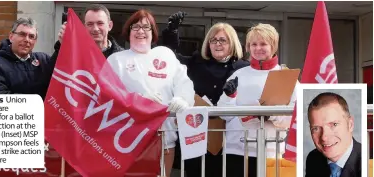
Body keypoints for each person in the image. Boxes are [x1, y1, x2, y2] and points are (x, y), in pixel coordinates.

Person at [106, 9, 195, 177]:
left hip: (164, 140)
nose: (141, 31)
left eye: (146, 27)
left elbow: (184, 82)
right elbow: (107, 96)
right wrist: (137, 102)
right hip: (127, 141)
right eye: (136, 27)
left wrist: (183, 99)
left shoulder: (165, 55)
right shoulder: (116, 60)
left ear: (153, 32)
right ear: (128, 31)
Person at [162, 13, 249, 177]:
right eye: (213, 40)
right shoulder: (197, 62)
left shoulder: (242, 67)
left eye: (223, 40)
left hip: (230, 138)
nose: (217, 44)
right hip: (197, 135)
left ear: (232, 43)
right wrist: (172, 32)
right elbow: (171, 58)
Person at [217, 23, 298, 177]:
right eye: (253, 44)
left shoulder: (286, 75)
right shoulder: (238, 74)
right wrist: (229, 96)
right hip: (237, 150)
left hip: (270, 151)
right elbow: (224, 114)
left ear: (273, 46)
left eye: (263, 44)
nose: (257, 48)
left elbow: (295, 117)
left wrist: (270, 114)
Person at [0, 17, 55, 100]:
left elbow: (63, 74)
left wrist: (61, 44)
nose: (27, 40)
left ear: (35, 41)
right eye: (22, 34)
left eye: (31, 36)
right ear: (11, 36)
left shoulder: (43, 60)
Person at [305, 92, 361, 177]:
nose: (324, 137)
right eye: (316, 128)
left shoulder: (368, 162)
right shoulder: (314, 159)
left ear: (350, 124)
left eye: (334, 124)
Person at [56, 4, 124, 59]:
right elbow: (51, 72)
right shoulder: (75, 54)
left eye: (100, 23)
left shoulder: (122, 58)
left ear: (109, 26)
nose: (95, 29)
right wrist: (63, 47)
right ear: (84, 27)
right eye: (90, 24)